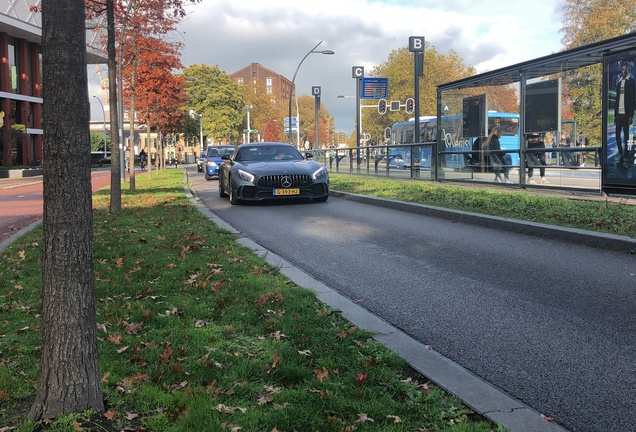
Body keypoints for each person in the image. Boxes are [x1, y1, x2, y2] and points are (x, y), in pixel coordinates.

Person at [614, 63, 635, 166]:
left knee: (626, 135)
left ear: (628, 70)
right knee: (617, 135)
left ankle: (626, 153)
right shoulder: (619, 82)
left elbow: (632, 100)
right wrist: (615, 115)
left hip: (626, 113)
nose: (623, 71)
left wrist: (631, 115)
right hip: (618, 113)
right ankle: (621, 152)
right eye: (622, 70)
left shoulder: (631, 81)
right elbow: (617, 99)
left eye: (625, 70)